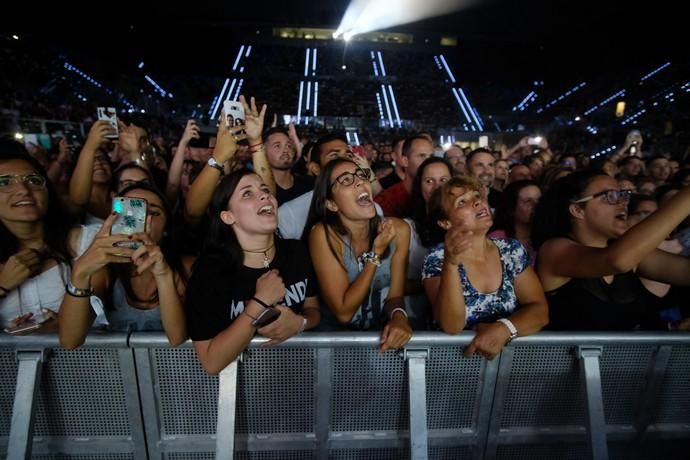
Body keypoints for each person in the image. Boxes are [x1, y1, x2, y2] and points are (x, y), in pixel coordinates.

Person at [186, 169, 320, 374]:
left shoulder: (296, 252)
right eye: (247, 193)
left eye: (265, 189)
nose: (265, 195)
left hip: (300, 376)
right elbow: (210, 362)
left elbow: (313, 310)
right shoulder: (210, 272)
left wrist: (300, 323)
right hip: (241, 389)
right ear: (228, 216)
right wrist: (259, 303)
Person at [532, 170, 690, 330]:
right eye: (610, 196)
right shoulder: (554, 251)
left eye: (623, 195)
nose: (623, 202)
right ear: (578, 210)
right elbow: (617, 261)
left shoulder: (628, 255)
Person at [422, 176, 549, 360]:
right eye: (462, 202)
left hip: (510, 363)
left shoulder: (510, 250)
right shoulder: (437, 259)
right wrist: (450, 264)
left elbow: (540, 310)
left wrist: (503, 329)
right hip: (454, 364)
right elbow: (451, 325)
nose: (476, 202)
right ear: (445, 223)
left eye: (476, 196)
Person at [59, 182, 190, 347]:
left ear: (166, 228)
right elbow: (69, 340)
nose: (141, 219)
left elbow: (176, 338)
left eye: (153, 212)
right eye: (131, 210)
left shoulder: (186, 267)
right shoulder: (106, 273)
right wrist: (80, 272)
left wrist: (163, 275)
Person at [305, 158, 412, 351]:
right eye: (346, 180)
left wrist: (399, 317)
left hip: (379, 335)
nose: (360, 182)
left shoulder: (399, 230)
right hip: (333, 341)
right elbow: (344, 312)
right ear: (331, 204)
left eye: (361, 175)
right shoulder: (323, 234)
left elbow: (394, 296)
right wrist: (376, 253)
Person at [0, 140, 98, 334]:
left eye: (33, 180)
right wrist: (3, 285)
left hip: (91, 362)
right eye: (4, 182)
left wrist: (61, 324)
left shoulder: (87, 242)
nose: (23, 190)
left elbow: (99, 304)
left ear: (48, 192)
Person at [489, 180, 541, 264]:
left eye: (540, 200)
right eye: (528, 202)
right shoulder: (498, 240)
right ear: (511, 208)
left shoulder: (544, 238)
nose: (536, 205)